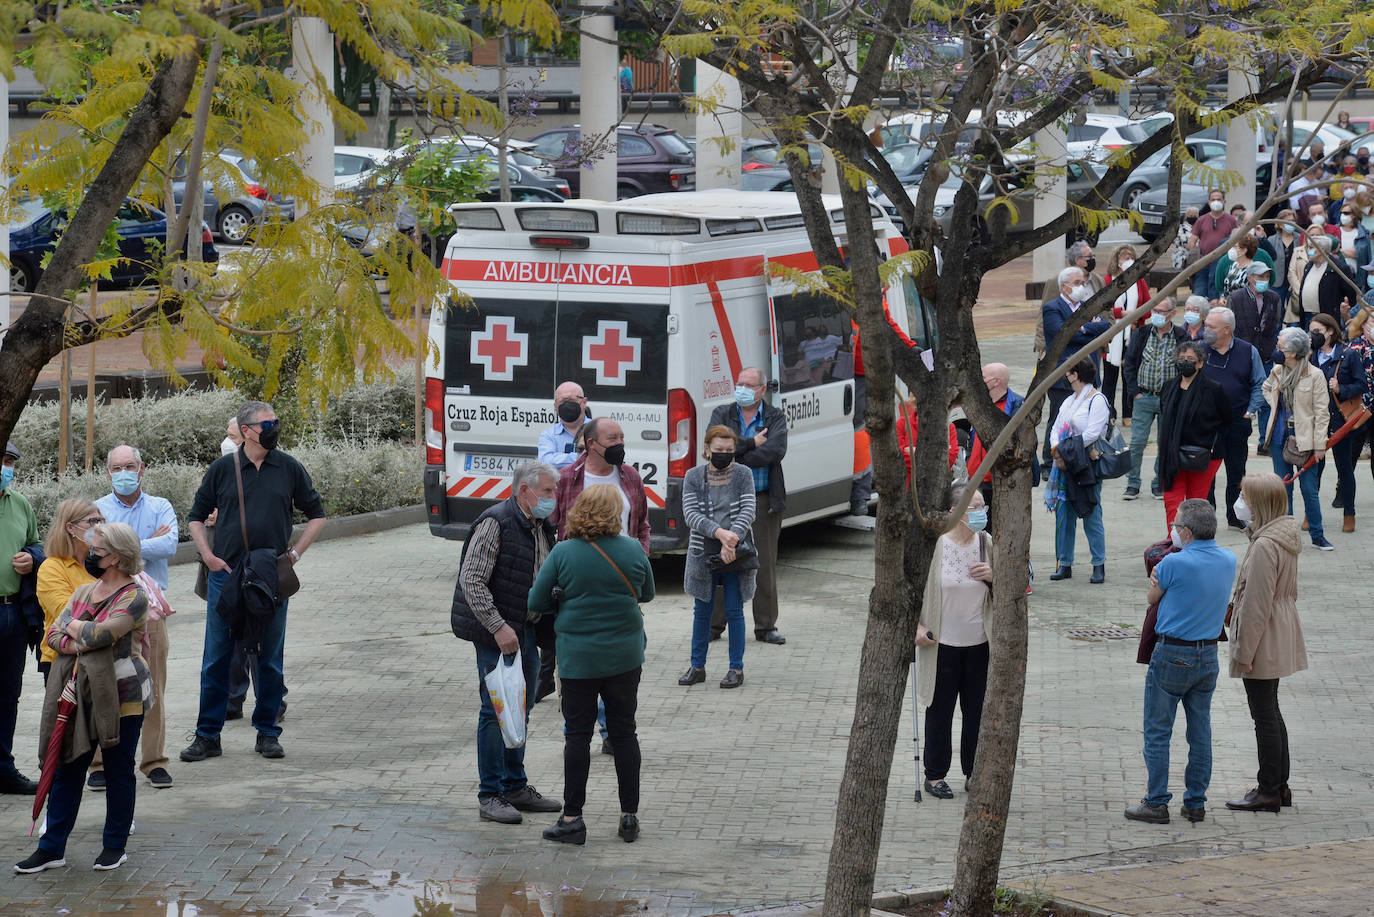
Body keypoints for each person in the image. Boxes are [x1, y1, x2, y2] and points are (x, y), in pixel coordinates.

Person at [183, 401, 327, 763]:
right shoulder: (221, 469)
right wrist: (209, 557)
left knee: (269, 657)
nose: (274, 428)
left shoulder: (289, 467)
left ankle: (267, 733)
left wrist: (293, 556)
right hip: (227, 575)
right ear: (246, 430)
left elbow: (317, 515)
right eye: (267, 423)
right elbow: (195, 518)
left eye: (275, 421)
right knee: (216, 657)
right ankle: (207, 736)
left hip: (269, 576)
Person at [15, 522, 152, 873]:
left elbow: (103, 633)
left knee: (119, 770)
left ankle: (114, 846)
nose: (91, 554)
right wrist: (81, 637)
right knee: (68, 767)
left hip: (122, 696)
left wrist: (75, 630)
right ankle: (51, 849)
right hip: (79, 693)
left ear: (118, 558)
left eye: (99, 550)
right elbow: (52, 636)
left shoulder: (135, 596)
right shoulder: (83, 591)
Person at [527, 485, 653, 846]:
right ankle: (629, 817)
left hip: (578, 659)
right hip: (625, 657)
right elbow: (648, 593)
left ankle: (572, 818)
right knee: (624, 733)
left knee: (577, 736)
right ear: (616, 513)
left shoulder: (564, 552)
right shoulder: (631, 549)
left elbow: (536, 601)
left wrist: (562, 597)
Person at [449, 461, 563, 825]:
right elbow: (472, 580)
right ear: (524, 491)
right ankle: (491, 794)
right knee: (496, 709)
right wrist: (498, 627)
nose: (553, 498)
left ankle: (515, 786)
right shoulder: (495, 522)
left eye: (554, 491)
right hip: (496, 633)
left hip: (527, 630)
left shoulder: (541, 526)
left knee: (521, 707)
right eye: (547, 492)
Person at [1124, 499, 1235, 825]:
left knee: (1158, 731)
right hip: (1208, 654)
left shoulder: (1174, 563)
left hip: (1172, 653)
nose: (1173, 530)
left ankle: (1157, 801)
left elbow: (1152, 597)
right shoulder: (1228, 559)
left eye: (1176, 525)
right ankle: (1196, 801)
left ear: (1186, 531)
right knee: (1200, 731)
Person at [95, 445, 177, 790]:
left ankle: (153, 761)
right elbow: (96, 554)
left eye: (130, 466)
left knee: (153, 685)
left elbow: (170, 545)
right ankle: (99, 764)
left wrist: (121, 548)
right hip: (108, 609)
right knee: (104, 685)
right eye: (117, 467)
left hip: (150, 610)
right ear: (108, 471)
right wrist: (145, 543)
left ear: (142, 469)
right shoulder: (98, 509)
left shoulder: (161, 506)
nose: (124, 472)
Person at [1224, 472, 1306, 814]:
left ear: (1258, 504)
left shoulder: (1264, 545)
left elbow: (1256, 605)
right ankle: (1279, 786)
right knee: (1271, 709)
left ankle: (1269, 788)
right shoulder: (1280, 537)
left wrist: (1244, 652)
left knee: (1264, 714)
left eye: (1245, 496)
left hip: (1265, 636)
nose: (1240, 502)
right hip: (1279, 630)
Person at [914, 484, 993, 800]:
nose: (980, 512)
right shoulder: (936, 546)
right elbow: (913, 593)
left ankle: (974, 773)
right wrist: (916, 627)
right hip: (941, 644)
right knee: (940, 711)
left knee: (976, 712)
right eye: (973, 506)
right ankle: (934, 776)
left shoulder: (988, 544)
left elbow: (1017, 589)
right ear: (954, 512)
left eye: (982, 505)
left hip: (979, 644)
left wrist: (994, 575)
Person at [708, 367, 788, 645]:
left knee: (763, 563)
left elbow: (775, 450)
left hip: (763, 499)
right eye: (739, 383)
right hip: (724, 499)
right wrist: (752, 443)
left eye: (748, 384)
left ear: (762, 390)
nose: (741, 388)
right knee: (720, 560)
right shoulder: (722, 413)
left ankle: (766, 626)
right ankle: (713, 625)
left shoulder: (775, 417)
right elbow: (715, 446)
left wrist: (735, 456)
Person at [678, 426, 757, 689]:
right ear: (707, 448)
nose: (723, 454)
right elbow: (691, 515)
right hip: (704, 552)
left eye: (729, 451)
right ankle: (697, 666)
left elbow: (749, 509)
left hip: (736, 551)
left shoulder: (744, 474)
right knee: (702, 611)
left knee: (734, 610)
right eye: (718, 450)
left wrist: (731, 539)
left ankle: (736, 668)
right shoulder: (692, 476)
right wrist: (721, 534)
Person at [1262, 328, 1334, 550]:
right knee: (1284, 488)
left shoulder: (1314, 375)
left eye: (1281, 348)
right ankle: (1287, 534)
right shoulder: (1277, 371)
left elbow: (1322, 413)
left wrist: (1320, 446)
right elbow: (1266, 389)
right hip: (1278, 438)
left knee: (1309, 489)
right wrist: (1275, 404)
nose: (1278, 351)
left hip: (1306, 441)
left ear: (1293, 352)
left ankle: (1317, 534)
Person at [0, 442, 42, 796]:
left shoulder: (20, 503)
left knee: (7, 695)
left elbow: (37, 543)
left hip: (12, 610)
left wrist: (31, 556)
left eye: (9, 461)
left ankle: (3, 768)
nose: (5, 467)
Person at [1201, 307, 1265, 531]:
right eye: (1205, 325)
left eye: (1211, 327)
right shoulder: (1200, 350)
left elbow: (1260, 383)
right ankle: (1206, 520)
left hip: (1237, 422)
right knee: (1206, 474)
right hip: (1206, 425)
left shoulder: (1248, 351)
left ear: (1226, 330)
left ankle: (1234, 516)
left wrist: (1250, 410)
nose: (1205, 330)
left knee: (1237, 473)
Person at [1040, 266, 1111, 467]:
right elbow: (1063, 333)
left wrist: (1082, 328)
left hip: (1089, 373)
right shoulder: (1052, 308)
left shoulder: (1086, 306)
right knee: (1058, 418)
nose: (1082, 287)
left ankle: (1081, 455)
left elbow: (1103, 327)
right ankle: (1049, 460)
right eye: (1077, 283)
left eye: (1083, 283)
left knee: (1085, 420)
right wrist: (1087, 329)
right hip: (1063, 376)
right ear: (1064, 287)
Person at [1047, 359, 1109, 584]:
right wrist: (1057, 449)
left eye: (1068, 372)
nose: (1066, 376)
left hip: (1085, 465)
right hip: (1064, 463)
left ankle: (1098, 564)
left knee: (1091, 513)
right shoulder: (1069, 400)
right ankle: (1064, 563)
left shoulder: (1097, 400)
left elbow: (1093, 433)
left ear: (1075, 375)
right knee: (1064, 516)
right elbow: (1055, 427)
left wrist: (1064, 448)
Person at [1157, 341, 1231, 528]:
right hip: (1172, 456)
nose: (1185, 362)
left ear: (1200, 363)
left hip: (1203, 456)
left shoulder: (1214, 389)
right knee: (1172, 502)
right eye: (1181, 359)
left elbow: (1227, 420)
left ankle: (1193, 543)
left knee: (1195, 504)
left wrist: (1212, 445)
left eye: (1190, 359)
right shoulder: (1168, 387)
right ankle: (1174, 542)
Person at [552, 418, 650, 554]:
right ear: (591, 443)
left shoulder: (631, 476)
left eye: (622, 438)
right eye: (612, 438)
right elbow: (550, 526)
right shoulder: (565, 478)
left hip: (622, 565)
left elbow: (643, 526)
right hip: (578, 566)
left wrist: (641, 556)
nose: (620, 443)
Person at [1122, 297, 1185, 500]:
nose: (1157, 315)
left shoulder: (1181, 336)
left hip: (1169, 399)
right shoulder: (1141, 334)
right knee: (1137, 442)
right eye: (1154, 310)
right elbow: (1130, 364)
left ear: (1172, 314)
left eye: (1162, 311)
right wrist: (1135, 392)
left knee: (1164, 443)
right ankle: (1132, 483)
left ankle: (1159, 483)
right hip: (1144, 396)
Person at [1307, 313, 1364, 533]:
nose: (1315, 336)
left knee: (1344, 468)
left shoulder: (1348, 355)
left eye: (1318, 331)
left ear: (1331, 331)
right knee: (1314, 469)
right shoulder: (1310, 356)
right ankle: (1310, 515)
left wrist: (1341, 388)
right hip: (1317, 421)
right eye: (1311, 332)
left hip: (1341, 421)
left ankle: (1349, 513)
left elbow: (1361, 385)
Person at [35, 501, 101, 682]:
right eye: (92, 522)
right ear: (71, 528)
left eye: (101, 521)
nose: (99, 527)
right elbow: (68, 616)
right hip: (63, 660)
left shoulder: (101, 562)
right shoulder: (51, 568)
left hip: (102, 655)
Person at [965, 363, 1038, 502]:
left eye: (983, 377)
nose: (979, 381)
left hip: (999, 480)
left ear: (996, 382)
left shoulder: (1017, 406)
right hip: (975, 479)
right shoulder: (980, 403)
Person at [1102, 244, 1148, 424]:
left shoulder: (1140, 281)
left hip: (1133, 333)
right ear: (1116, 261)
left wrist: (1136, 315)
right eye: (1124, 257)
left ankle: (1128, 414)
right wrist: (1121, 314)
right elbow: (1102, 307)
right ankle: (1109, 413)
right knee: (1110, 377)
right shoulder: (1107, 280)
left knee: (1130, 375)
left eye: (1131, 257)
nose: (1128, 261)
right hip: (1112, 335)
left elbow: (1149, 308)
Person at [1034, 243, 1101, 359]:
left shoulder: (1097, 280)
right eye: (1089, 257)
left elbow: (1106, 310)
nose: (1093, 259)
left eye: (1093, 256)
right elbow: (1044, 313)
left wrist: (1107, 335)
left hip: (1093, 343)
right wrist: (1041, 341)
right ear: (1077, 259)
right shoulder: (1057, 282)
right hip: (1066, 346)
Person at [1227, 263, 1281, 361]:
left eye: (1267, 277)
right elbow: (1229, 326)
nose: (1265, 280)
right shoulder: (1235, 298)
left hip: (1266, 353)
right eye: (1260, 277)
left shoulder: (1274, 298)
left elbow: (1276, 322)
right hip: (1242, 353)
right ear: (1249, 278)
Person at [1191, 190, 1238, 302]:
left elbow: (1236, 239)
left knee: (1216, 297)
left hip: (1222, 265)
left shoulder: (1231, 220)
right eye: (1213, 199)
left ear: (1224, 201)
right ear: (1208, 202)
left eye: (1219, 199)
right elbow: (1192, 241)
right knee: (1199, 295)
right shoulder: (1201, 220)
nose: (1216, 202)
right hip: (1203, 263)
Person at [537, 382, 589, 470]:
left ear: (584, 402)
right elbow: (545, 462)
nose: (567, 405)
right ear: (555, 406)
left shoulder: (599, 430)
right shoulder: (548, 435)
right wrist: (582, 456)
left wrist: (561, 457)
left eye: (571, 400)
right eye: (562, 401)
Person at [1212, 233, 1274, 304]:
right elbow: (1225, 288)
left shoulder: (1253, 270)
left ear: (1244, 250)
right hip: (1230, 306)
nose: (1232, 249)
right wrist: (1223, 298)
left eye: (1235, 247)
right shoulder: (1233, 266)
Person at [1332, 198, 1372, 276]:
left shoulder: (1363, 233)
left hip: (1357, 276)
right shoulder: (1334, 230)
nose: (1343, 215)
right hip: (1337, 275)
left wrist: (1340, 251)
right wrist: (1349, 252)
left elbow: (1362, 255)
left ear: (1354, 214)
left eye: (1346, 213)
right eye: (1341, 213)